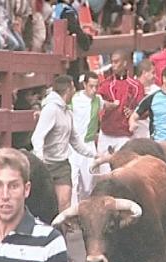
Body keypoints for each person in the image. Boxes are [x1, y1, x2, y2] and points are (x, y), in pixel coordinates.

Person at [31, 74, 97, 213]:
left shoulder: (68, 112)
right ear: (68, 90)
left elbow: (75, 141)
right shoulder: (51, 109)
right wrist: (40, 160)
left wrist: (94, 154)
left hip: (62, 164)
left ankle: (62, 232)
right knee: (45, 204)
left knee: (64, 201)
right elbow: (37, 137)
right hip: (47, 163)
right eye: (73, 88)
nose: (74, 91)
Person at [70, 71, 118, 204]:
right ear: (84, 84)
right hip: (73, 146)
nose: (94, 90)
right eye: (91, 86)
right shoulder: (74, 99)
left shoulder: (98, 100)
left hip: (89, 145)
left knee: (88, 184)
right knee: (73, 183)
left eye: (96, 86)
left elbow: (106, 105)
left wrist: (115, 104)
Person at [97, 50, 145, 155]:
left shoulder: (136, 86)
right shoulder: (105, 85)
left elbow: (143, 110)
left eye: (116, 62)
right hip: (106, 134)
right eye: (112, 62)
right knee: (103, 170)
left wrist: (134, 113)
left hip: (125, 135)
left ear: (124, 63)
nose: (113, 65)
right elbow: (96, 105)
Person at [129, 66, 166, 146]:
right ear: (164, 79)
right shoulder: (152, 98)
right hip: (158, 144)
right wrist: (132, 123)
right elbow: (134, 116)